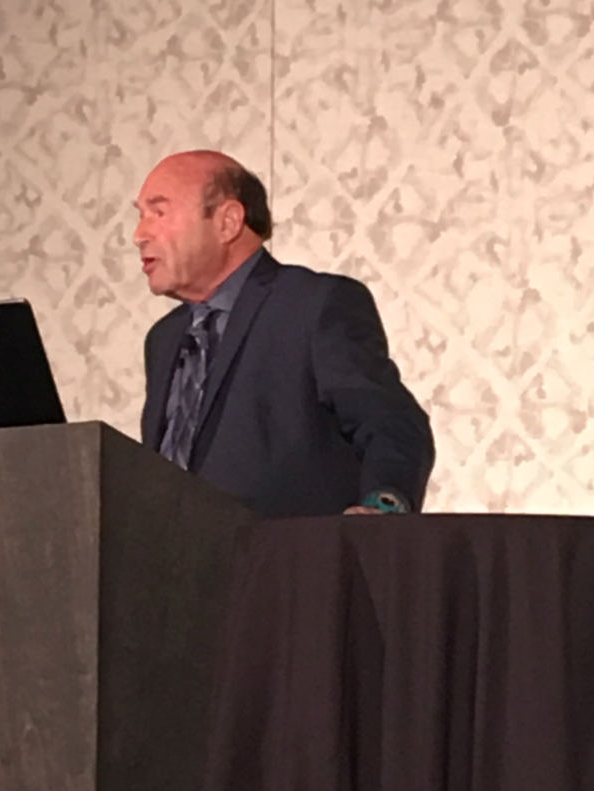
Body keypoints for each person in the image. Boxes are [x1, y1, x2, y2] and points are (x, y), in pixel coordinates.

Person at [134, 149, 435, 517]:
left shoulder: (314, 305)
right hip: (171, 551)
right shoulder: (163, 338)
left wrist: (382, 509)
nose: (139, 235)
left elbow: (393, 424)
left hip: (285, 549)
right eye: (140, 216)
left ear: (228, 222)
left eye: (158, 213)